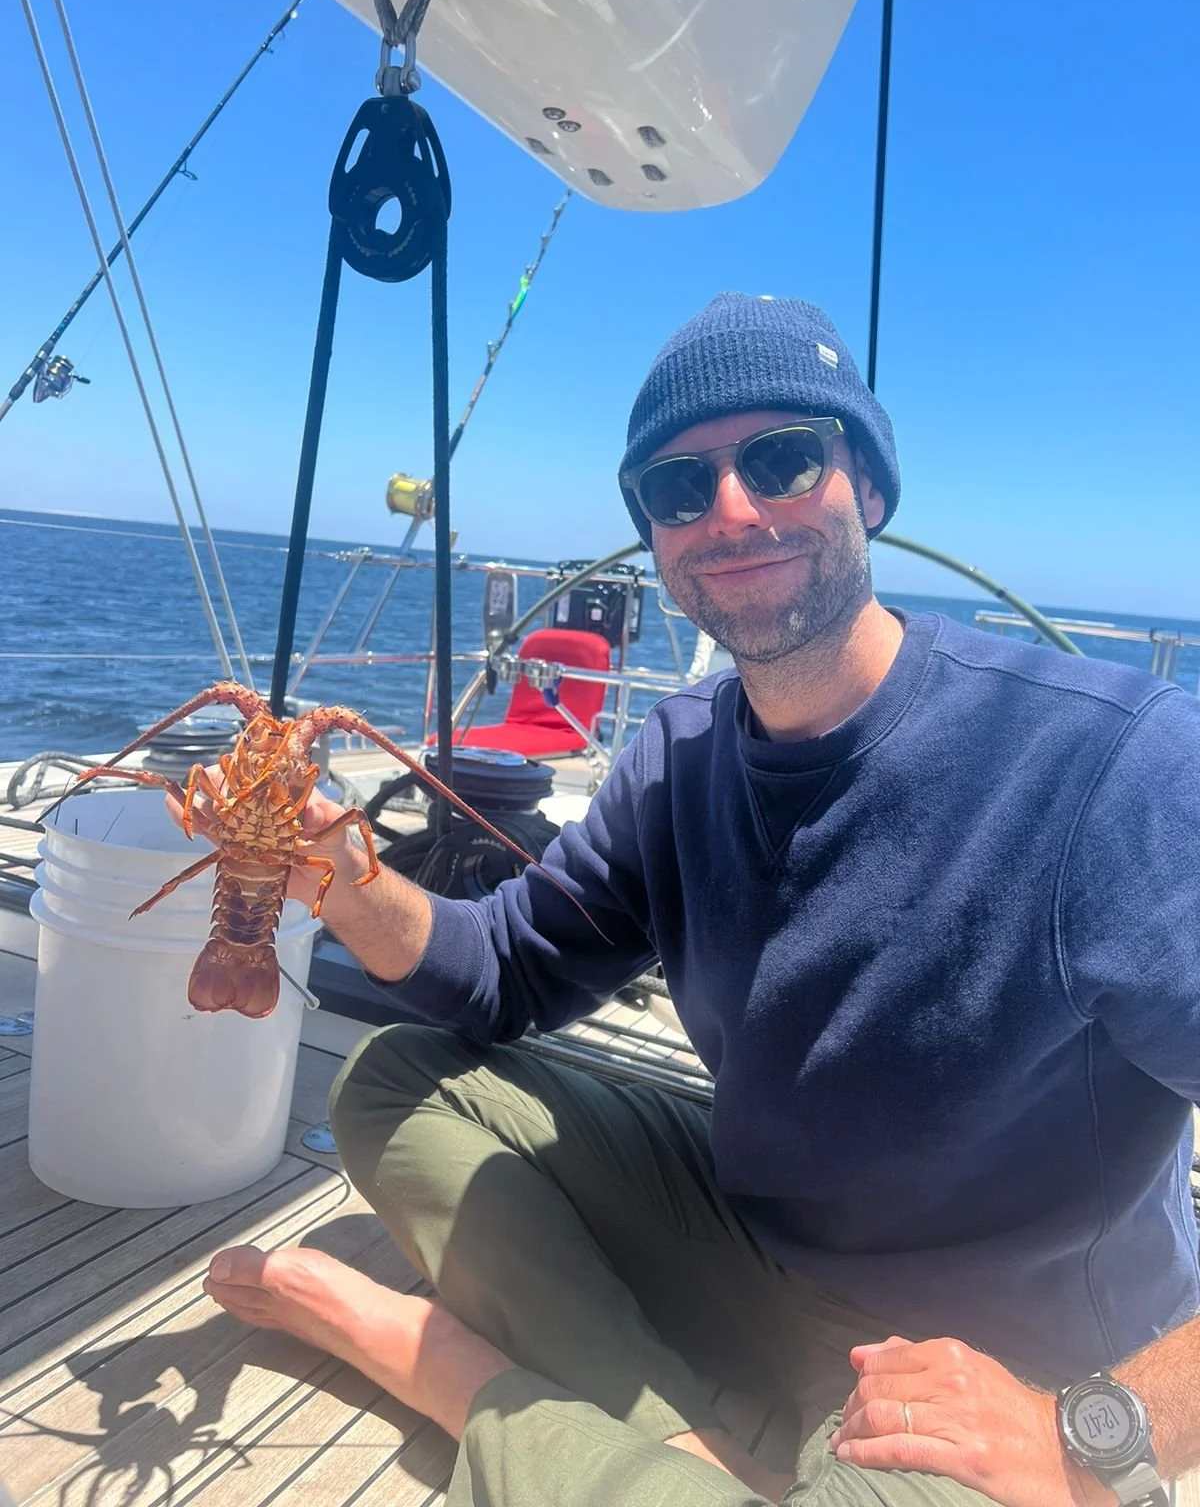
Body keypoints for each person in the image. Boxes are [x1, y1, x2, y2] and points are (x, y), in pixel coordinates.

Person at [198, 295, 1200, 1507]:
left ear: (867, 486)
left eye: (782, 459)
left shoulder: (1115, 764)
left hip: (1004, 1370)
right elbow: (507, 973)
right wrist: (343, 880)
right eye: (679, 489)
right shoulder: (674, 757)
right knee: (395, 1078)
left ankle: (454, 1373)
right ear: (656, 537)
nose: (731, 510)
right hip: (755, 1251)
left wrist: (1098, 1429)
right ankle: (688, 1443)